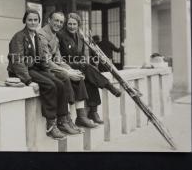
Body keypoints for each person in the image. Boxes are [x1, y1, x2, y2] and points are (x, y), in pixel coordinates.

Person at [7, 9, 78, 140]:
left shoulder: (36, 37)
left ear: (39, 22)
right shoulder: (19, 37)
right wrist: (28, 81)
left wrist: (49, 71)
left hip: (35, 68)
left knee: (60, 83)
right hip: (22, 71)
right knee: (50, 85)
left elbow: (42, 59)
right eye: (30, 20)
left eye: (35, 20)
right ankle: (51, 125)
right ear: (25, 21)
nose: (33, 22)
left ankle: (62, 119)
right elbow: (17, 61)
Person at [57, 13, 123, 124]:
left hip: (79, 66)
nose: (72, 26)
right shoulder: (61, 35)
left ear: (78, 25)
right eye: (69, 24)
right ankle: (109, 86)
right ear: (66, 24)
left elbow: (82, 55)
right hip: (66, 65)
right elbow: (59, 57)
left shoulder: (80, 37)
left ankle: (93, 111)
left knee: (90, 80)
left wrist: (84, 62)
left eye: (74, 24)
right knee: (87, 67)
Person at [38, 11, 97, 130]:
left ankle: (81, 116)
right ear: (49, 20)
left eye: (61, 22)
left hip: (52, 67)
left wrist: (71, 70)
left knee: (77, 76)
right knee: (65, 78)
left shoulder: (55, 36)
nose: (58, 24)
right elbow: (46, 61)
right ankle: (65, 118)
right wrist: (67, 72)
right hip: (42, 69)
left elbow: (59, 59)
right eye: (56, 21)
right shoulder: (41, 35)